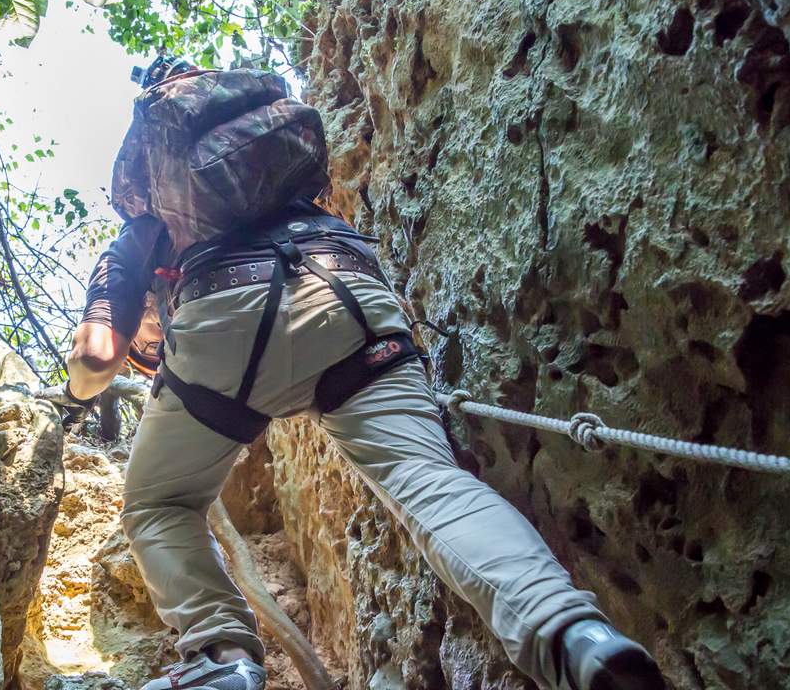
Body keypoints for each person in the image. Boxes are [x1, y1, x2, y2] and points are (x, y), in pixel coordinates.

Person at [53, 57, 666, 690]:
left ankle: (222, 661)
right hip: (348, 291)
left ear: (148, 167)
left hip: (229, 318)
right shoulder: (283, 181)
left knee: (160, 505)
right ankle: (577, 636)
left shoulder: (142, 233)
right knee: (426, 480)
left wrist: (72, 398)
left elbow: (98, 356)